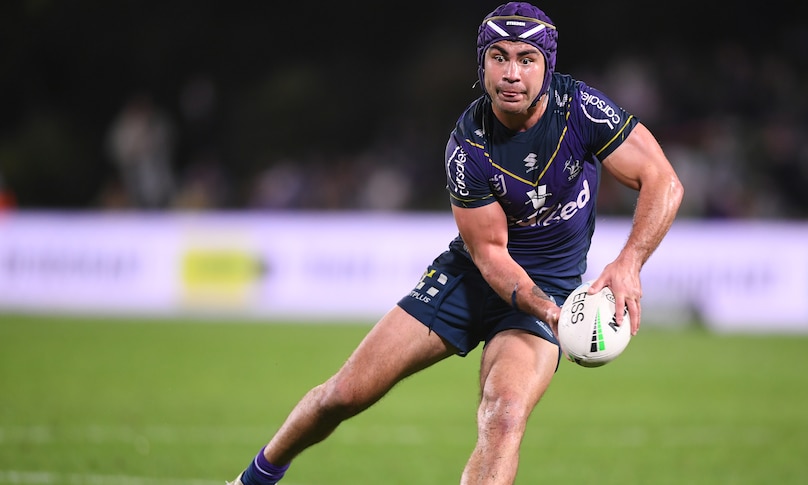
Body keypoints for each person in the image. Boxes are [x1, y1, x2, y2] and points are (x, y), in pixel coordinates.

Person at [227, 2, 683, 484]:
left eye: (526, 59)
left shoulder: (582, 110)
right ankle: (254, 479)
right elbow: (490, 257)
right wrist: (552, 314)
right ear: (481, 64)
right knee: (345, 394)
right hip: (470, 279)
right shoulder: (469, 149)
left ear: (547, 67)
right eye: (498, 57)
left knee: (504, 415)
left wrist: (629, 262)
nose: (511, 73)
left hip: (549, 283)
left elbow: (663, 180)